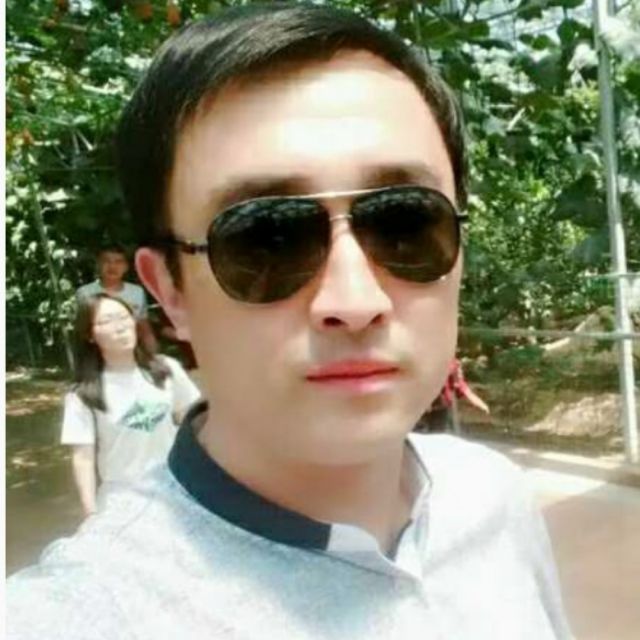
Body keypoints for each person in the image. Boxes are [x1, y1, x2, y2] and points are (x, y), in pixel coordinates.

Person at [7, 4, 572, 639]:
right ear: (169, 290)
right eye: (265, 239)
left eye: (406, 221)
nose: (354, 300)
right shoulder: (80, 617)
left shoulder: (493, 499)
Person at [62, 293, 201, 517]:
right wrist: (91, 513)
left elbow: (193, 424)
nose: (120, 327)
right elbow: (83, 458)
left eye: (123, 317)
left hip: (175, 492)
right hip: (121, 500)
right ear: (90, 335)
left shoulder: (165, 370)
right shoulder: (84, 394)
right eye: (107, 321)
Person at [76, 243, 158, 352]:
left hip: (131, 349)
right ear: (98, 264)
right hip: (97, 350)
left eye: (118, 262)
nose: (112, 266)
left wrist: (153, 354)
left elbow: (144, 327)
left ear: (126, 267)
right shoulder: (85, 293)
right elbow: (83, 329)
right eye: (106, 261)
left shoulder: (137, 292)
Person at [418, 358, 490, 432]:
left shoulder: (453, 364)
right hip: (419, 407)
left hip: (440, 408)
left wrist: (479, 403)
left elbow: (462, 387)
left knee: (436, 434)